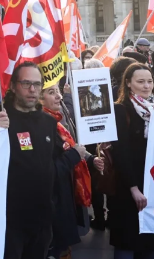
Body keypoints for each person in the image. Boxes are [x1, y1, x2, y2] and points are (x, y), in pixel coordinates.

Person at [0, 62, 64, 259]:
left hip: (42, 218)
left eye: (37, 84)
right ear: (12, 86)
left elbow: (55, 162)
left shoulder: (49, 122)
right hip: (9, 220)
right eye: (26, 83)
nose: (32, 89)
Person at [109, 63, 154, 258]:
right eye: (140, 82)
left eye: (149, 81)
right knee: (127, 243)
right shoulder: (121, 110)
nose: (146, 86)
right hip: (128, 186)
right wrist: (133, 188)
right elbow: (121, 152)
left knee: (153, 245)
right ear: (128, 84)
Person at [41, 82, 104, 259]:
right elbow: (54, 164)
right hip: (55, 199)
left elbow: (71, 146)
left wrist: (91, 159)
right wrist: (76, 155)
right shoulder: (43, 125)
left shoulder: (57, 121)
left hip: (66, 194)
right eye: (51, 92)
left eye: (58, 91)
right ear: (38, 97)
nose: (59, 96)